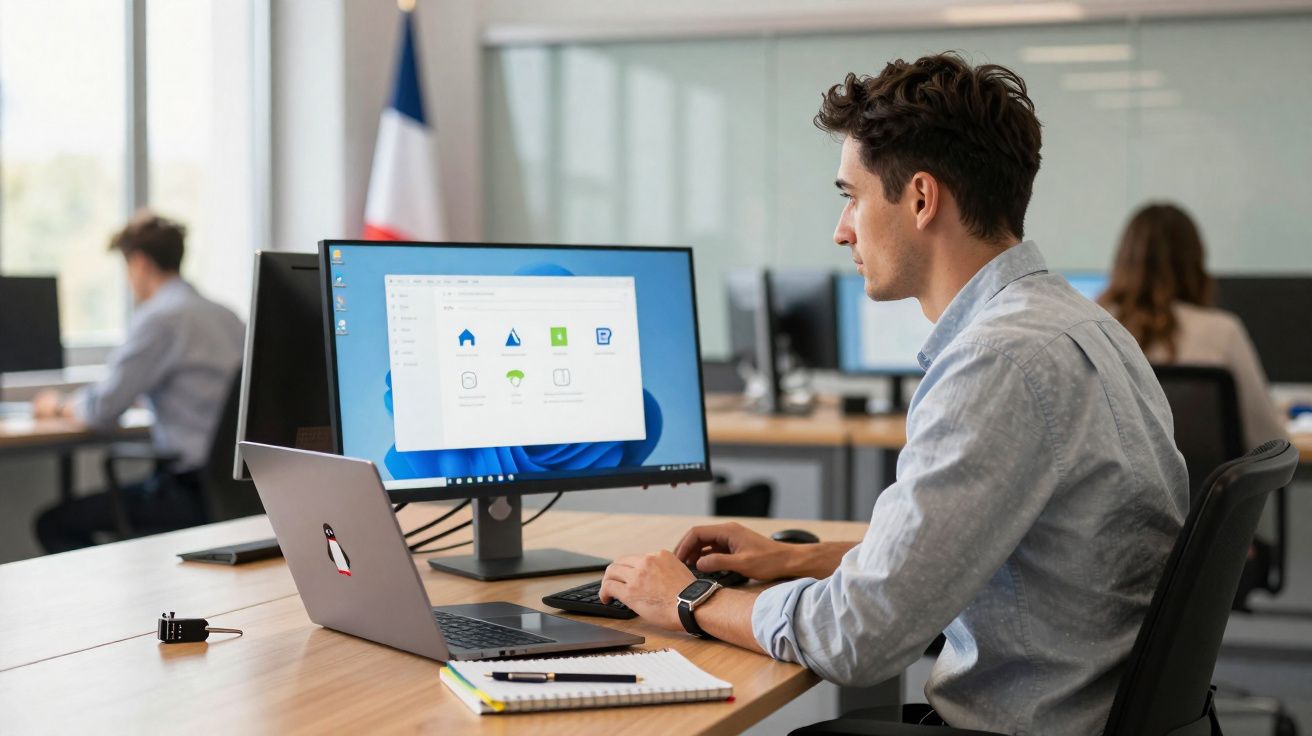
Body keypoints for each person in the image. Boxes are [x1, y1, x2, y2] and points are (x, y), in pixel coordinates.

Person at [598, 53, 1188, 733]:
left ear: (920, 198)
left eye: (850, 195)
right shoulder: (1082, 324)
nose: (841, 228)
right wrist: (792, 559)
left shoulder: (997, 361)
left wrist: (689, 598)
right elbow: (957, 558)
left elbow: (859, 639)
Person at [33, 211, 245, 553]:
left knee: (53, 523)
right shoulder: (227, 315)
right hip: (236, 491)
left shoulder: (159, 319)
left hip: (185, 492)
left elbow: (102, 411)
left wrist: (57, 404)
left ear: (141, 263)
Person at [1099, 203, 1287, 451]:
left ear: (1123, 261)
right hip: (1208, 489)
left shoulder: (1094, 329)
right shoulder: (1222, 332)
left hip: (1124, 490)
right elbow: (1271, 442)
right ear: (1194, 262)